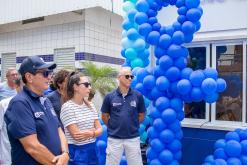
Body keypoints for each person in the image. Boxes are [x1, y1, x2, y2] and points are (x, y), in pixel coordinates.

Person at [4, 56, 69, 165]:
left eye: (50, 73)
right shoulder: (20, 103)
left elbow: (58, 129)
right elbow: (32, 147)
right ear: (29, 77)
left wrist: (65, 153)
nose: (49, 77)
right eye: (45, 73)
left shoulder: (45, 101)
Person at [101, 67, 146, 165]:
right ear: (119, 78)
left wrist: (133, 124)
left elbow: (142, 114)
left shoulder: (138, 96)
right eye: (127, 76)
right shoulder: (109, 96)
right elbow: (104, 116)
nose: (130, 78)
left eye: (131, 76)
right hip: (114, 139)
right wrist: (113, 126)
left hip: (133, 138)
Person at [60, 72, 103, 165]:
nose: (90, 88)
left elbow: (100, 129)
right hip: (77, 152)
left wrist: (91, 133)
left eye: (90, 85)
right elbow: (77, 136)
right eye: (86, 85)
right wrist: (94, 132)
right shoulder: (67, 107)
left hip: (92, 149)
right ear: (75, 87)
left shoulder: (90, 105)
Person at [0, 77, 23, 165]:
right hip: (8, 152)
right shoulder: (4, 104)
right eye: (22, 86)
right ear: (16, 86)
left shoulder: (36, 103)